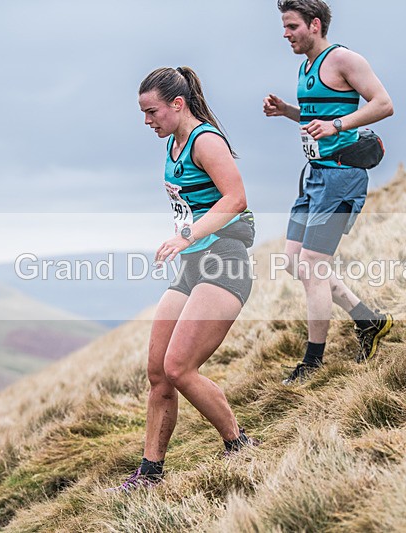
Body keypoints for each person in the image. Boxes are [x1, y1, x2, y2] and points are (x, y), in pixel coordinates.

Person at [111, 66, 258, 492]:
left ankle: (239, 443)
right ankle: (150, 473)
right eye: (143, 113)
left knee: (180, 367)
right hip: (193, 266)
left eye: (152, 111)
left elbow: (236, 198)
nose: (146, 121)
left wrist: (186, 235)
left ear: (178, 104)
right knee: (158, 371)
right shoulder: (174, 144)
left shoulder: (205, 140)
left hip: (224, 262)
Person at [263, 0, 395, 385]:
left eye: (291, 27)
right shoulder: (305, 67)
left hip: (342, 177)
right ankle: (368, 321)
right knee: (293, 261)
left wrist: (338, 124)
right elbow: (315, 118)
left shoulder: (345, 60)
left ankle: (313, 362)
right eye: (284, 27)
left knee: (312, 266)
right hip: (315, 176)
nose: (285, 34)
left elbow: (384, 104)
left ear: (315, 24)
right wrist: (288, 110)